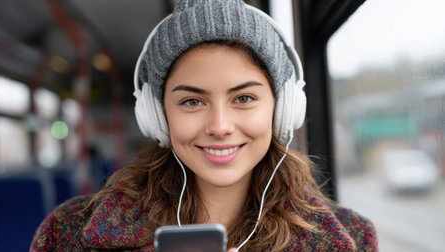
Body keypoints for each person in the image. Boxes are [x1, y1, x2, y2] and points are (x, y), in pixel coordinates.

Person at [31, 0, 377, 251]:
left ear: (282, 109)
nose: (220, 126)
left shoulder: (354, 237)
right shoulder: (66, 233)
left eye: (243, 98)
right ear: (157, 115)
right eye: (192, 101)